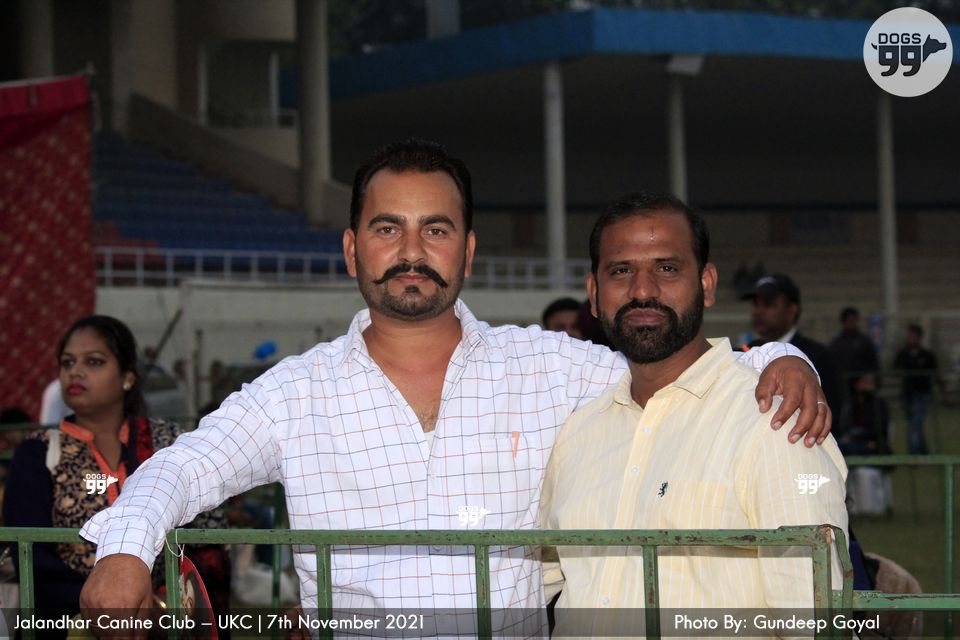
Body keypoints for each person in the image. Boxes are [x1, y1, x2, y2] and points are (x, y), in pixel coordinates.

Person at [79, 139, 830, 631]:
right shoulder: (295, 393)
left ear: (466, 251)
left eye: (435, 229)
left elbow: (686, 366)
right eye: (388, 229)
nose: (411, 251)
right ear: (352, 249)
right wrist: (125, 552)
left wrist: (783, 360)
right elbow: (185, 465)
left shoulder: (551, 368)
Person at [540, 194, 848, 636]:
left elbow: (813, 622)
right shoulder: (579, 433)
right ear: (593, 293)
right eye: (621, 271)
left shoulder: (773, 422)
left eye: (667, 268)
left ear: (706, 284)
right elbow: (539, 576)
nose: (642, 290)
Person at [2, 316, 230, 628]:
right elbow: (31, 557)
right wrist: (109, 605)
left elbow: (208, 542)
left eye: (94, 361)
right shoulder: (38, 453)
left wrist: (163, 607)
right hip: (68, 623)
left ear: (127, 377)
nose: (75, 371)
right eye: (67, 362)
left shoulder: (169, 444)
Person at [743, 273, 843, 415]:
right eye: (755, 304)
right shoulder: (745, 352)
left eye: (769, 304)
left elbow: (830, 412)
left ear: (792, 310)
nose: (759, 311)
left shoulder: (818, 356)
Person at [894, 324, 939, 455]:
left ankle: (914, 454)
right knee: (914, 425)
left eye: (912, 335)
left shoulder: (927, 355)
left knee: (915, 424)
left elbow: (935, 373)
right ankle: (924, 453)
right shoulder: (903, 354)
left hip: (922, 395)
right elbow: (895, 368)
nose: (909, 338)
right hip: (908, 394)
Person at [829, 307, 879, 396]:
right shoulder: (836, 343)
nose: (852, 323)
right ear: (844, 322)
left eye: (853, 320)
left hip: (862, 385)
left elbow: (873, 363)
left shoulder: (865, 341)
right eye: (849, 320)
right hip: (842, 385)